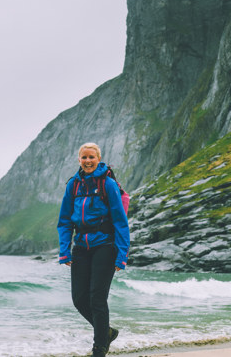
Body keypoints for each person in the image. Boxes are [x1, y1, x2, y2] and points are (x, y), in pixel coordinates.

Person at [57, 142, 130, 357]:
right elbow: (64, 221)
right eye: (84, 157)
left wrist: (122, 254)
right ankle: (106, 332)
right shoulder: (73, 185)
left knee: (97, 299)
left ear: (98, 159)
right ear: (79, 160)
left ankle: (99, 348)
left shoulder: (107, 184)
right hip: (81, 246)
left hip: (105, 246)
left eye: (91, 157)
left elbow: (120, 220)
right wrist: (65, 250)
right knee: (79, 299)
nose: (88, 161)